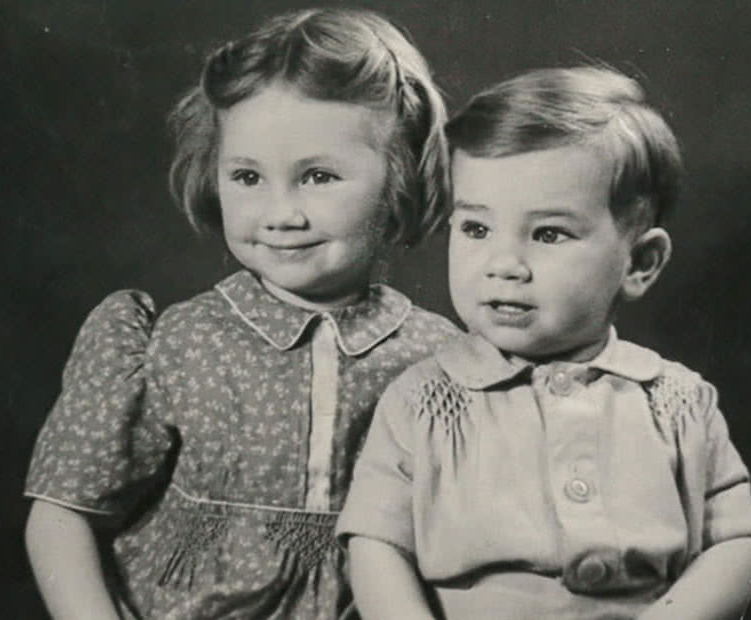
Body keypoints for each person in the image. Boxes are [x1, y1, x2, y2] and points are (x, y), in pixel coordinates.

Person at [23, 8, 458, 619]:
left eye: (318, 176)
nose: (280, 212)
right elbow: (61, 514)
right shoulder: (179, 341)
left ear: (400, 179)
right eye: (248, 176)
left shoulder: (440, 357)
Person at [337, 66, 751, 620]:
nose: (504, 265)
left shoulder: (679, 402)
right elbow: (375, 546)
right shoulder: (422, 401)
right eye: (475, 229)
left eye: (548, 234)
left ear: (639, 263)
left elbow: (735, 544)